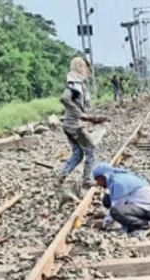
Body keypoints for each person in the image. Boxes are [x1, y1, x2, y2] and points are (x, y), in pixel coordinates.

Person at [55, 57, 105, 187]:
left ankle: (61, 177)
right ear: (79, 67)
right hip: (74, 124)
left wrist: (91, 118)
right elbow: (65, 98)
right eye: (84, 67)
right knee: (90, 149)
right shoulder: (74, 84)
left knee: (78, 153)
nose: (86, 70)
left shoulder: (76, 83)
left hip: (68, 124)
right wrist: (79, 114)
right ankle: (87, 180)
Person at [92, 163, 150, 237]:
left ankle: (145, 226)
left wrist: (104, 224)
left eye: (98, 180)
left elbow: (117, 205)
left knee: (115, 211)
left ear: (104, 177)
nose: (98, 183)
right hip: (143, 205)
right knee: (107, 199)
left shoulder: (118, 183)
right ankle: (130, 224)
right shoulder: (115, 177)